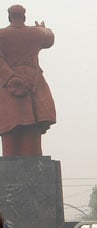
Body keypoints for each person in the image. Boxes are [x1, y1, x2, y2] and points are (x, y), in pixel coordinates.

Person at [0, 4, 56, 157]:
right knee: (32, 131)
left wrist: (10, 77)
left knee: (10, 129)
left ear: (9, 17)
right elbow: (50, 38)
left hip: (8, 89)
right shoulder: (36, 33)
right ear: (24, 17)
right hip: (33, 85)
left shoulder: (1, 35)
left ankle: (10, 173)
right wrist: (43, 28)